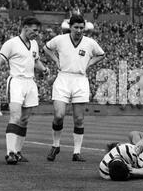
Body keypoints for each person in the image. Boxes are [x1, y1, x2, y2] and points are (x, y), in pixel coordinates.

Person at [0, 16, 50, 164]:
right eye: (34, 30)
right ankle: (10, 153)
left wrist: (44, 69)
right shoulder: (11, 44)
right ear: (25, 27)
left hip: (30, 83)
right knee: (15, 116)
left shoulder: (34, 44)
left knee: (25, 120)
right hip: (16, 82)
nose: (36, 33)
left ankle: (18, 152)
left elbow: (35, 61)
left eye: (38, 31)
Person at [43, 14, 105, 162]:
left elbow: (101, 55)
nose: (78, 30)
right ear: (70, 27)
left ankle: (76, 152)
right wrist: (56, 59)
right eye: (76, 27)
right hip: (63, 78)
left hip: (80, 80)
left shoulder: (90, 42)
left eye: (81, 28)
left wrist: (89, 63)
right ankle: (55, 145)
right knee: (59, 115)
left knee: (79, 118)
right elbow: (46, 48)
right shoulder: (60, 39)